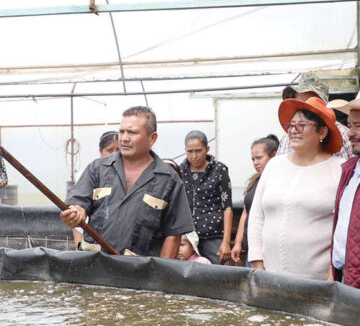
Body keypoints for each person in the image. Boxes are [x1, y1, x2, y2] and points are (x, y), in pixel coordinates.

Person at [61, 106, 195, 258]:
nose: (124, 138)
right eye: (122, 131)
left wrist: (158, 275)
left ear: (152, 138)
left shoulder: (168, 179)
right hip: (94, 269)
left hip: (138, 273)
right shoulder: (98, 169)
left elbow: (174, 233)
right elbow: (78, 203)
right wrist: (76, 212)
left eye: (132, 132)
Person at [248, 97, 345, 280]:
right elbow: (257, 216)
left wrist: (331, 278)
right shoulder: (274, 165)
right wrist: (256, 260)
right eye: (291, 125)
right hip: (268, 275)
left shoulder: (340, 170)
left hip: (317, 281)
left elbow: (343, 227)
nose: (293, 130)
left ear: (322, 131)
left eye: (301, 125)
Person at [179, 130, 233, 265]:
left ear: (207, 149)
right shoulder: (180, 171)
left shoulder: (220, 170)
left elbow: (227, 207)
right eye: (189, 151)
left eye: (198, 150)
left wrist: (226, 242)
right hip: (187, 239)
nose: (194, 156)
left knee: (220, 277)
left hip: (213, 236)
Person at [277, 72, 353, 160]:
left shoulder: (343, 134)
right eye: (299, 103)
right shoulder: (288, 135)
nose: (303, 108)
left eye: (310, 103)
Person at [327, 96, 360, 288]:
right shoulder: (349, 171)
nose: (350, 133)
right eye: (350, 125)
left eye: (358, 126)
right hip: (346, 280)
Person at [231, 134, 279, 266]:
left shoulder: (279, 182)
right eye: (253, 159)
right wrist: (238, 243)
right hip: (252, 249)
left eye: (259, 158)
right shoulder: (255, 181)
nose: (255, 163)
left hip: (269, 250)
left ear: (273, 156)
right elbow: (246, 213)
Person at [72, 131, 120, 250]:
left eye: (118, 150)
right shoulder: (92, 173)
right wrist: (79, 247)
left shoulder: (129, 175)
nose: (114, 154)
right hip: (94, 247)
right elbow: (78, 213)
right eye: (109, 150)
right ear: (100, 152)